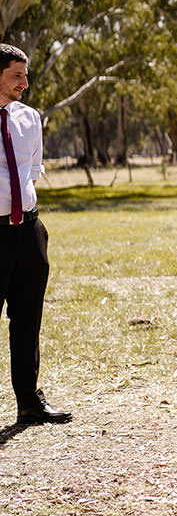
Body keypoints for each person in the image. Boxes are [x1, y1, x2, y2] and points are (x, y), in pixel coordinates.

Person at [0, 44, 71, 424]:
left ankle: (29, 402)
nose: (24, 83)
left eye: (25, 74)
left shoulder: (30, 118)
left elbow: (30, 172)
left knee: (27, 320)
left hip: (28, 231)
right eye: (16, 75)